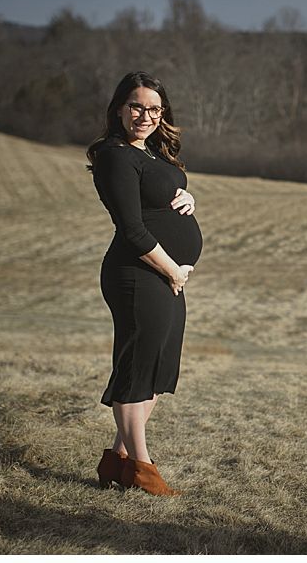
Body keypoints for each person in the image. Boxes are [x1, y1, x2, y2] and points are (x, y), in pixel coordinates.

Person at [85, 71, 202, 497]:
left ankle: (116, 460)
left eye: (154, 108)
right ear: (119, 108)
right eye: (137, 106)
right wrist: (172, 269)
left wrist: (189, 197)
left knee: (156, 366)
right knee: (137, 368)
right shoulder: (115, 155)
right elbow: (132, 229)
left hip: (167, 275)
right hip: (138, 274)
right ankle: (142, 465)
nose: (146, 116)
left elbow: (164, 197)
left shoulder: (149, 151)